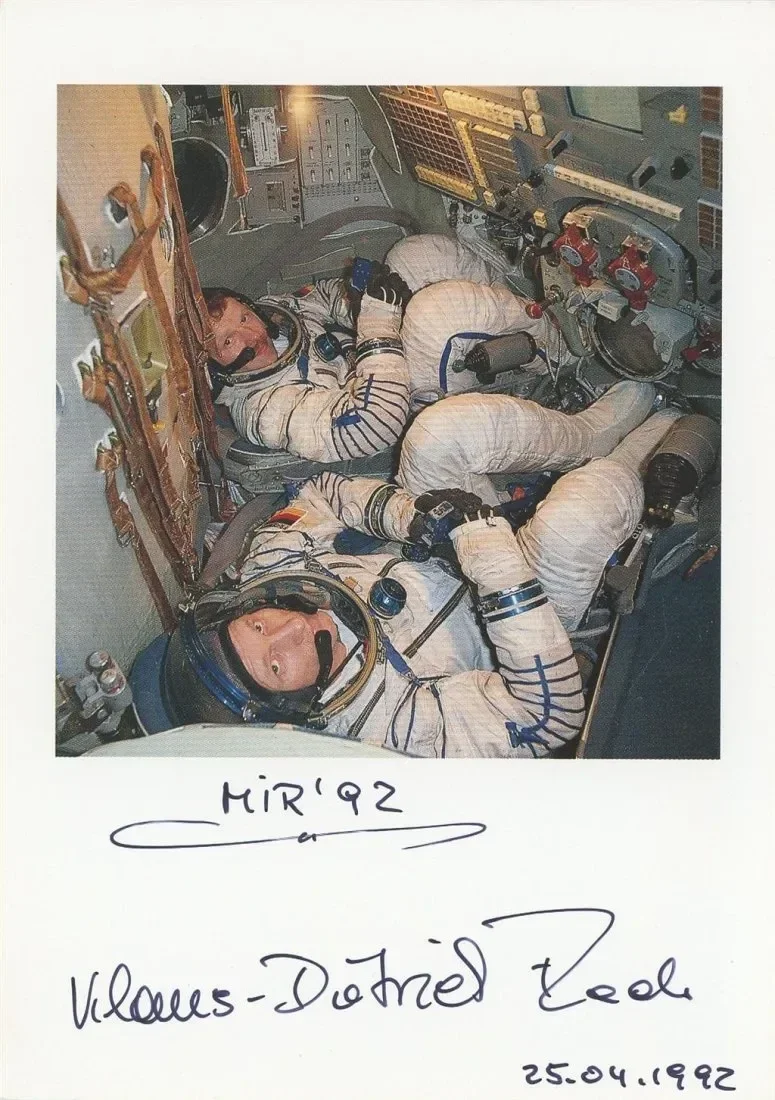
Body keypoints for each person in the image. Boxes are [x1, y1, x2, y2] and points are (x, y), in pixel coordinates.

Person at [151, 380, 683, 758]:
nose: (288, 629)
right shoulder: (390, 732)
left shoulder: (270, 568)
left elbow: (319, 493)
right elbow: (548, 718)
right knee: (575, 517)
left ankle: (605, 417)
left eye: (257, 625)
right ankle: (671, 428)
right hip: (523, 610)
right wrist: (494, 563)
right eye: (275, 666)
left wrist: (407, 518)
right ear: (289, 710)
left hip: (451, 534)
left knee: (435, 433)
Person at [205, 234, 571, 464]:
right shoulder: (266, 411)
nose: (250, 336)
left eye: (244, 318)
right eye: (228, 341)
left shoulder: (279, 316)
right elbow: (372, 425)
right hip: (406, 406)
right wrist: (379, 321)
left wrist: (361, 299)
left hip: (382, 353)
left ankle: (526, 307)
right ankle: (560, 352)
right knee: (435, 312)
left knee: (415, 255)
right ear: (215, 370)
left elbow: (323, 297)